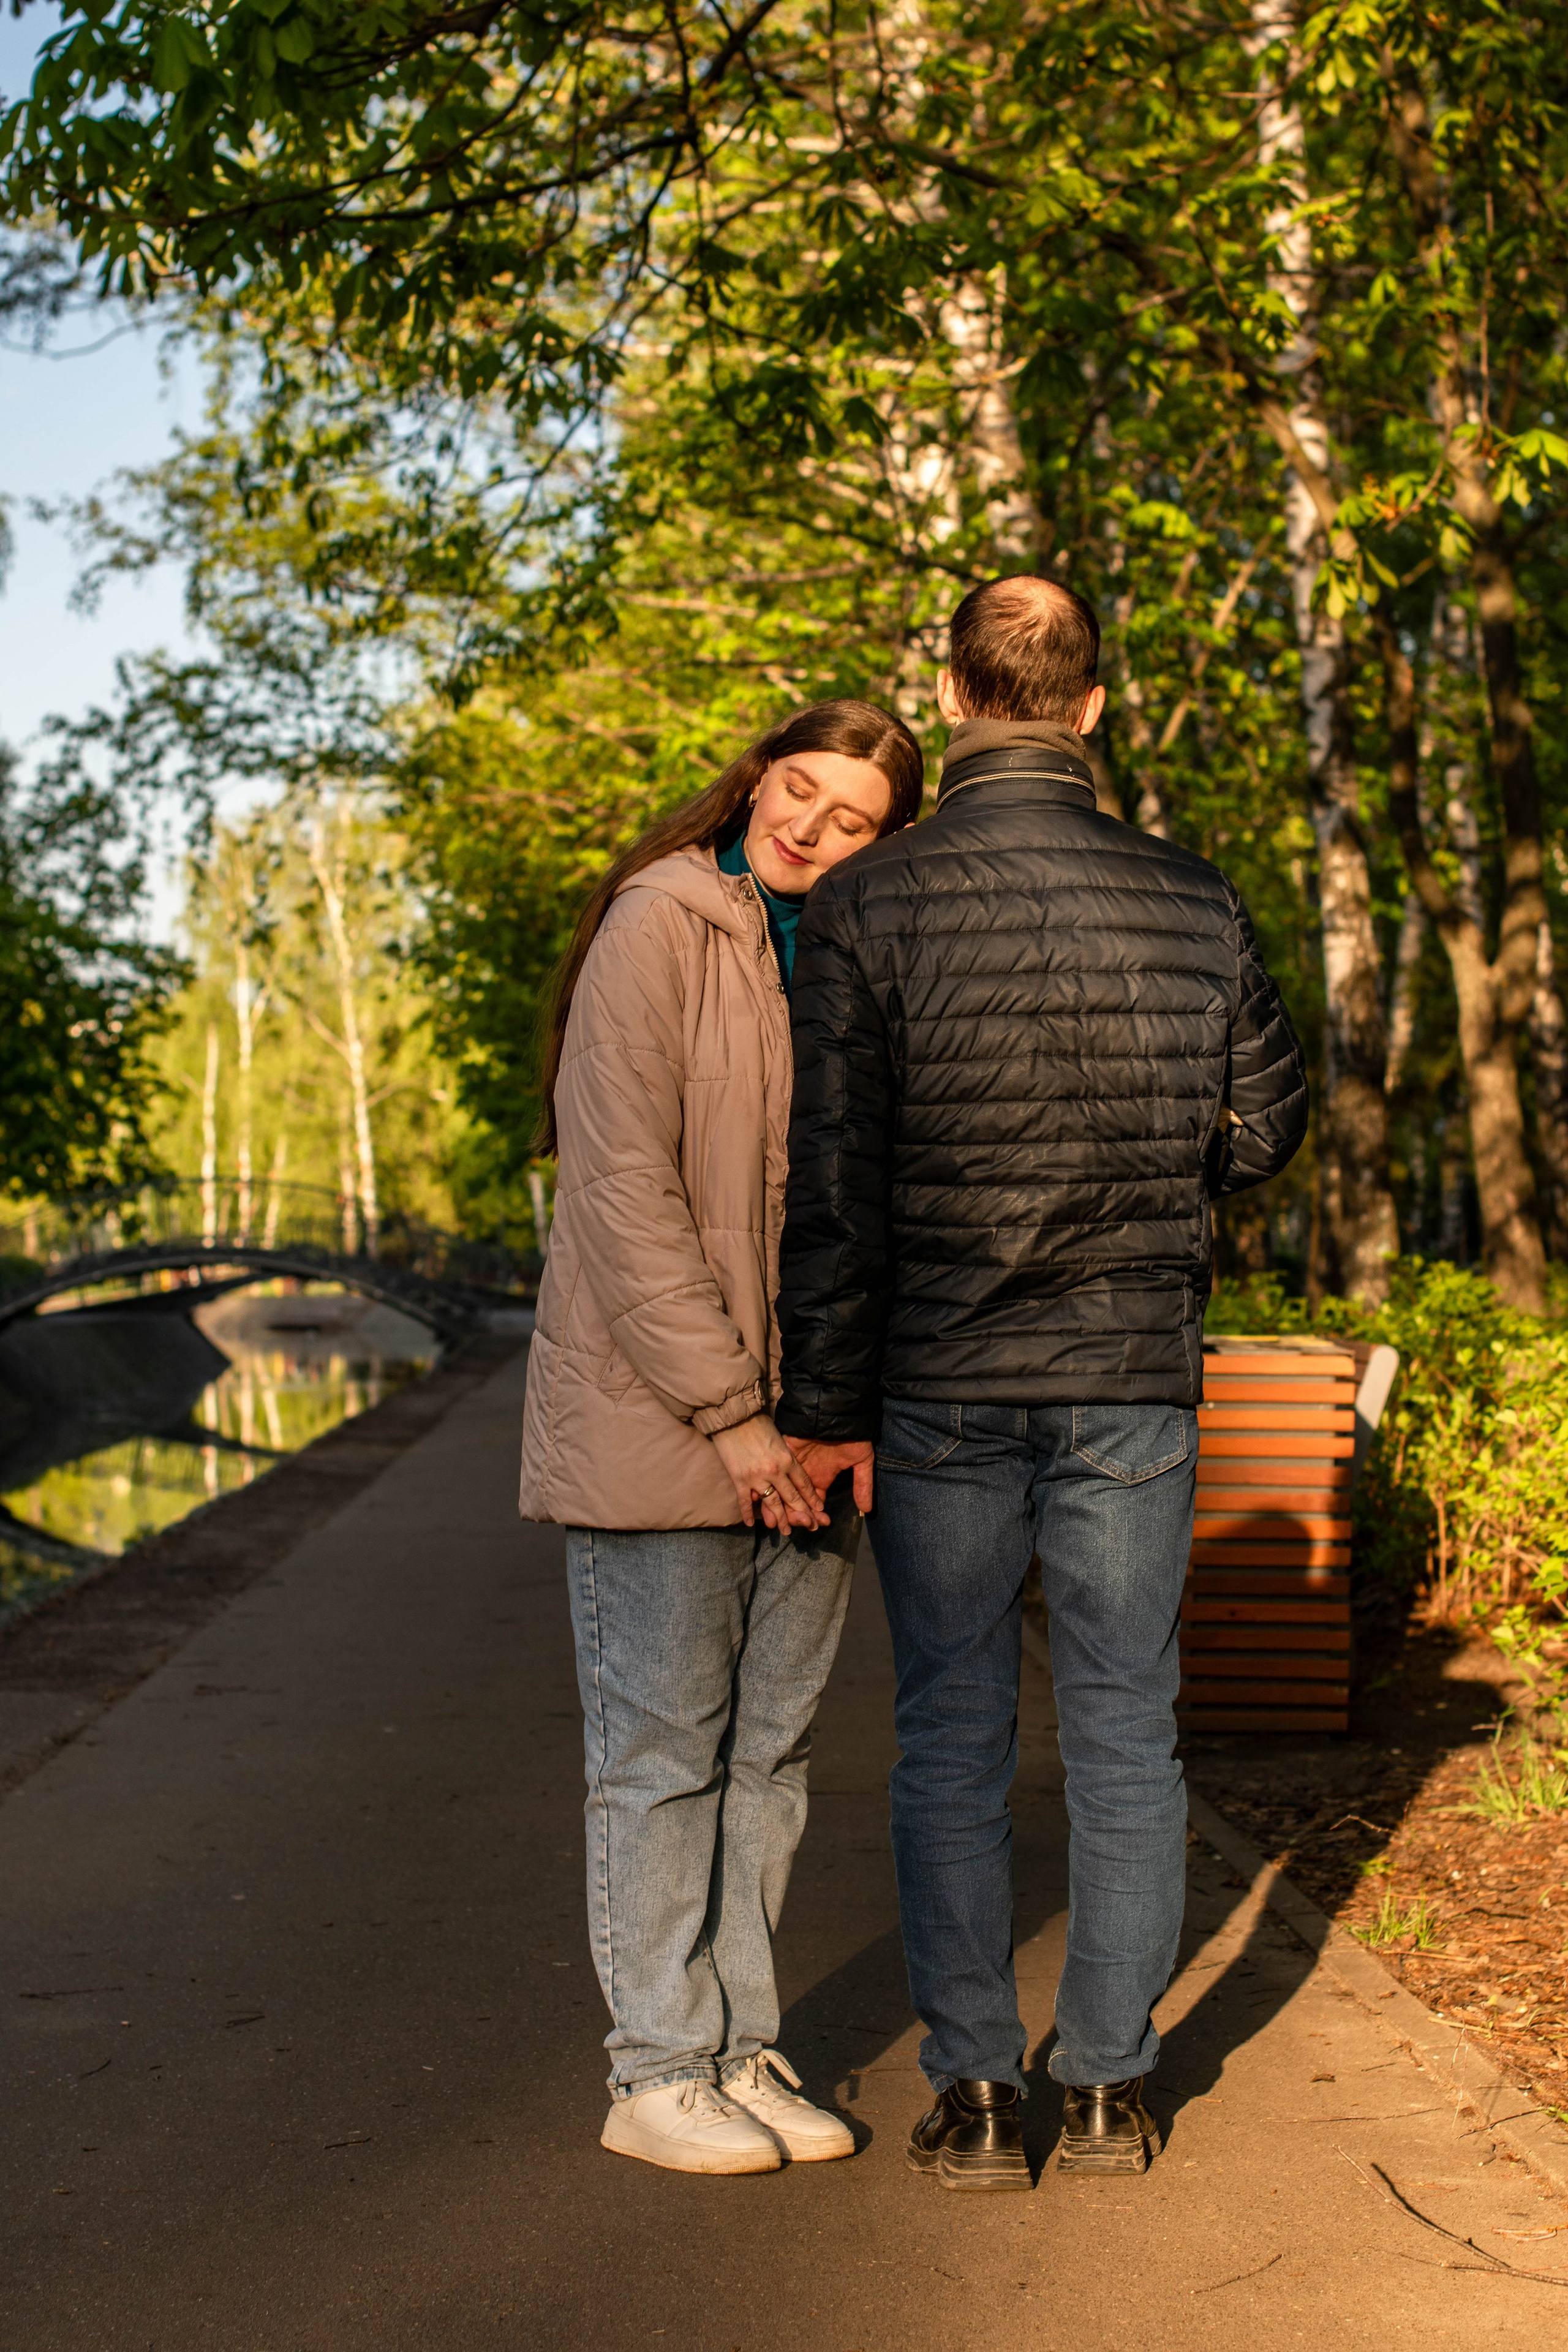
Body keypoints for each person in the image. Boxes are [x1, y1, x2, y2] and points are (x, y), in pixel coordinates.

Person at [776, 577, 1308, 2190]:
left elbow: (836, 1191)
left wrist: (821, 1403)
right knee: (1126, 1735)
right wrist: (1159, 1178)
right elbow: (1270, 1125)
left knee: (946, 1734)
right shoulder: (1195, 902)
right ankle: (1106, 2090)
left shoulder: (875, 907)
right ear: (1091, 708)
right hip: (1130, 1379)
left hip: (940, 1375)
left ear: (953, 691)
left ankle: (976, 2096)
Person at [519, 699, 923, 2176]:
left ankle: (739, 2047)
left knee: (771, 1755)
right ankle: (653, 2071)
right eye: (797, 788)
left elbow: (862, 1212)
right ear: (756, 775)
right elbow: (623, 1200)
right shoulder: (664, 923)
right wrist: (737, 1419)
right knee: (662, 1756)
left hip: (808, 1433)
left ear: (886, 842)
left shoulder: (846, 957)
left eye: (851, 816)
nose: (807, 825)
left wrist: (839, 1417)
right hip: (666, 1421)